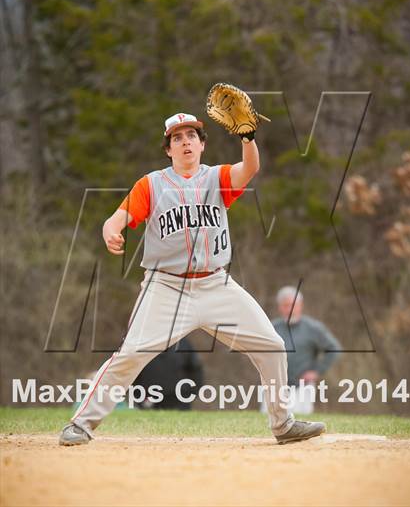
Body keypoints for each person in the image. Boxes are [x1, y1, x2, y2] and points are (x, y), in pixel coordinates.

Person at [59, 111, 325, 446]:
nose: (185, 142)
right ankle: (81, 423)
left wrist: (247, 137)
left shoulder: (217, 178)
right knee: (130, 354)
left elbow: (250, 169)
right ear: (168, 149)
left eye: (191, 136)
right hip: (166, 286)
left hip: (215, 284)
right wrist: (111, 232)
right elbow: (115, 219)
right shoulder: (152, 184)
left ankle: (283, 424)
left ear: (202, 144)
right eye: (177, 138)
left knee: (271, 345)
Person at [270, 286, 341, 414]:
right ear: (279, 307)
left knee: (302, 425)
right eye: (285, 305)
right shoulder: (271, 328)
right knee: (269, 424)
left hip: (302, 388)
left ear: (300, 305)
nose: (289, 309)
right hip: (275, 387)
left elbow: (334, 349)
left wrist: (316, 371)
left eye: (293, 305)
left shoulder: (313, 328)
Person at [132, 337, 203, 410]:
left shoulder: (182, 343)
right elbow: (132, 372)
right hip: (149, 398)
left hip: (178, 400)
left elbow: (195, 368)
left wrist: (193, 392)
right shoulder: (142, 345)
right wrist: (139, 396)